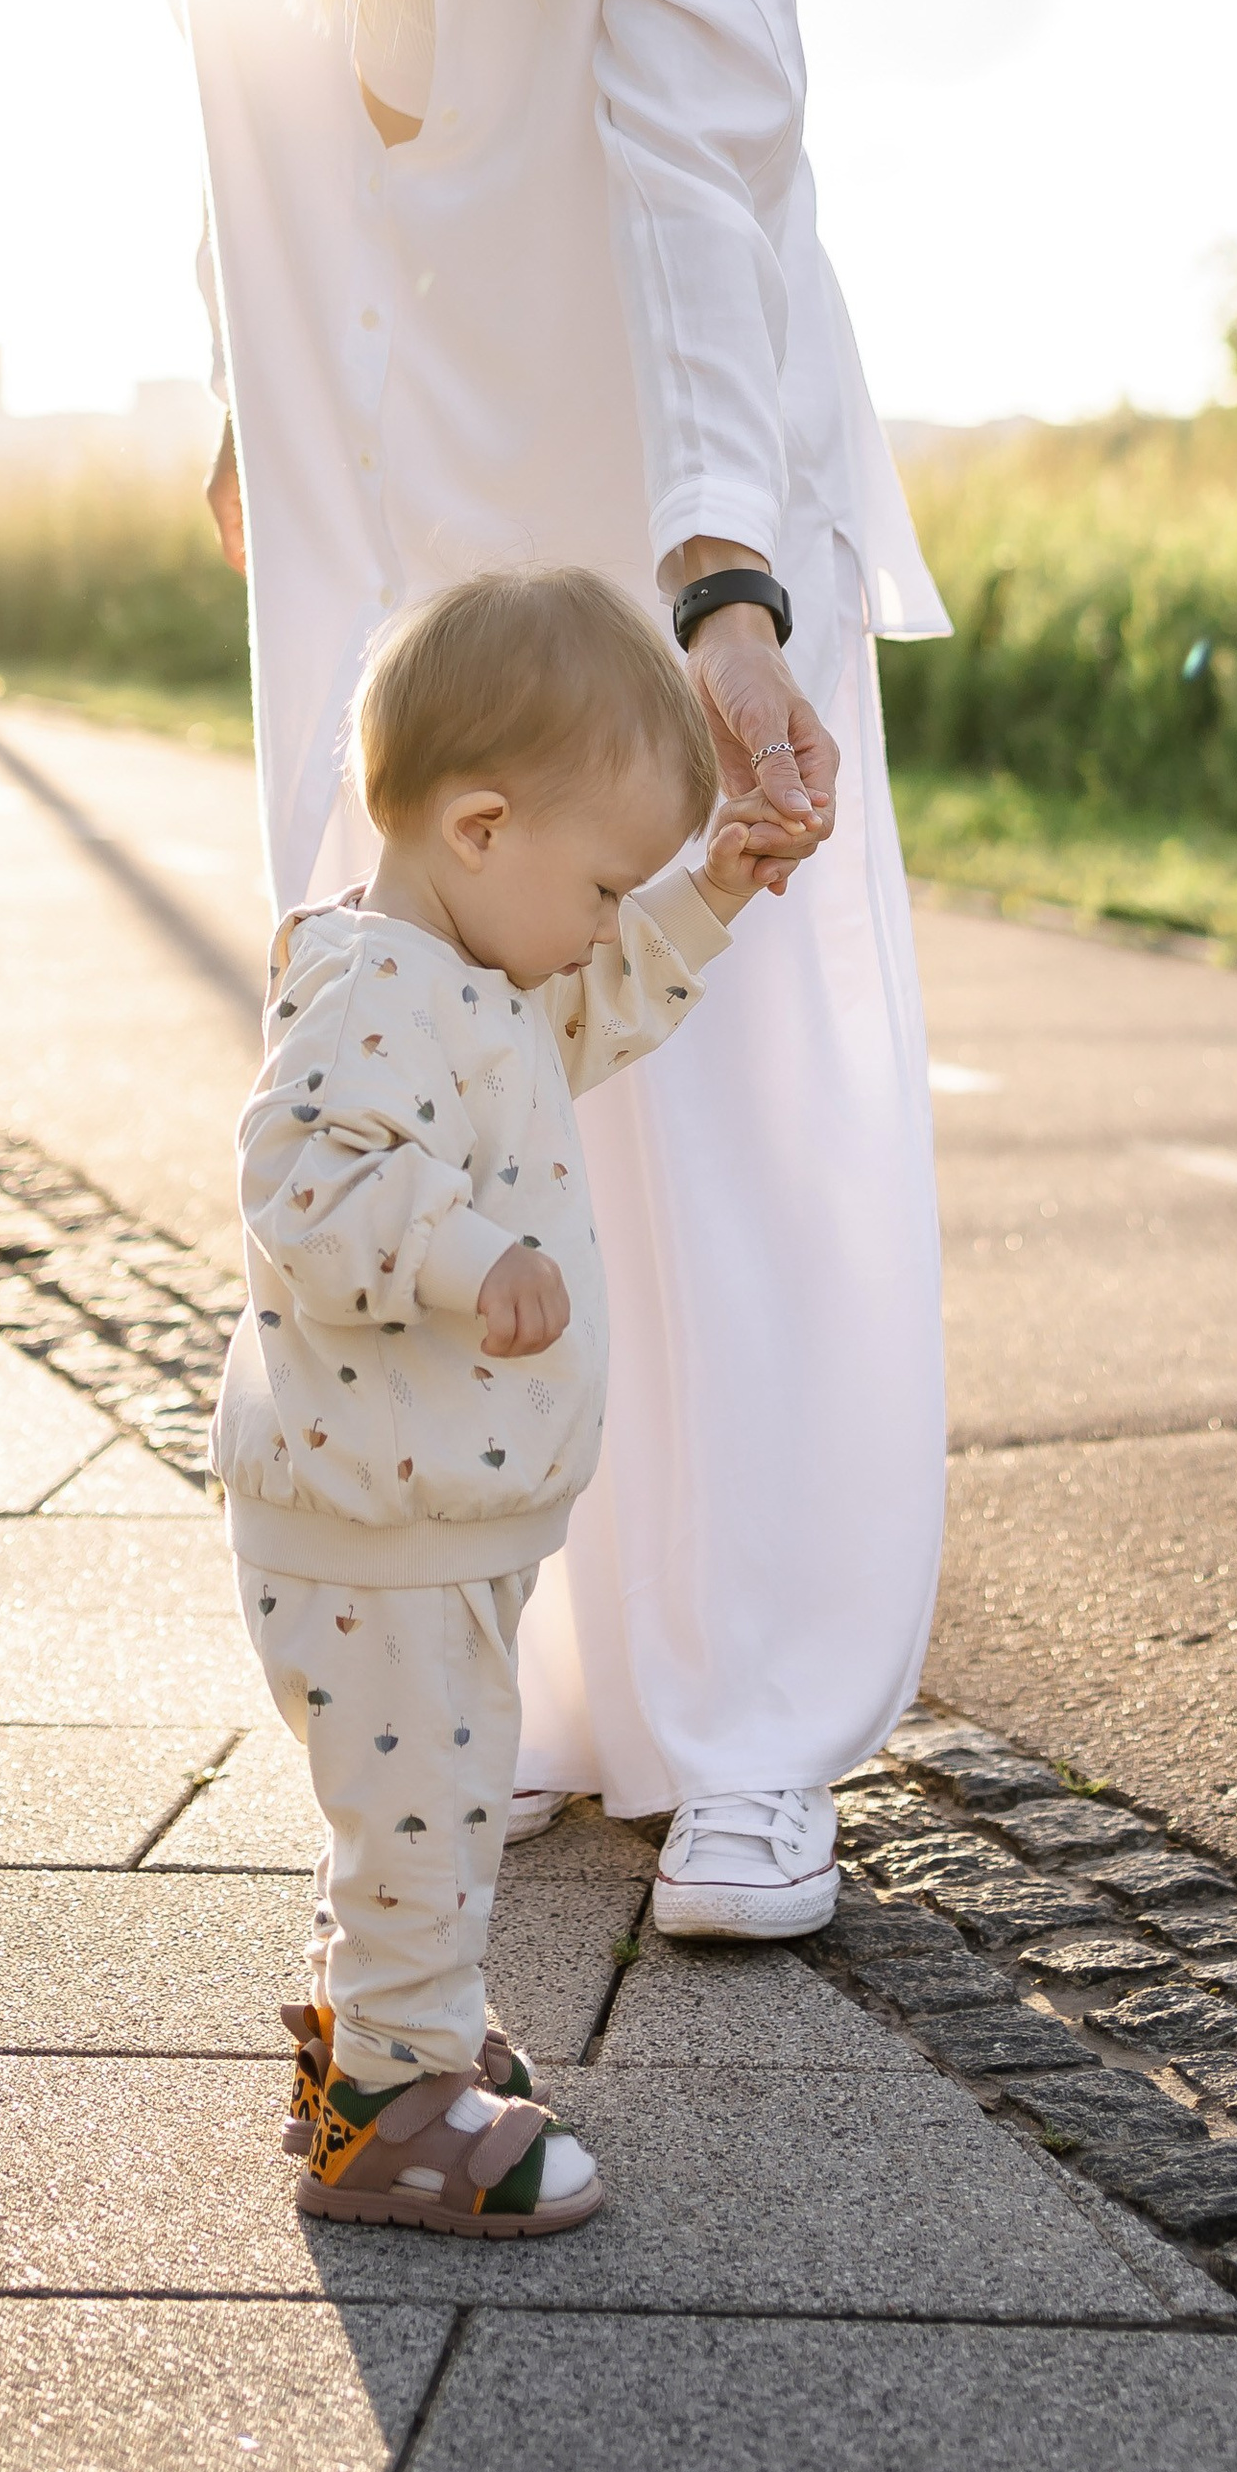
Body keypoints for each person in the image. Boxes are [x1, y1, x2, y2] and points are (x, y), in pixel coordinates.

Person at [146, 0, 950, 1938]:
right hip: (390, 502)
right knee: (418, 1085)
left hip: (653, 462)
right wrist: (248, 380)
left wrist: (720, 588)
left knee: (717, 1099)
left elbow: (703, 157)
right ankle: (515, 1676)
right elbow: (234, 56)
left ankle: (750, 1731)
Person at [226, 568, 814, 2232]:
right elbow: (301, 1182)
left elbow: (600, 1006)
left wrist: (711, 890)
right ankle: (398, 2118)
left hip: (418, 1504)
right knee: (427, 1802)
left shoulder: (469, 979)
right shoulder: (371, 989)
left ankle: (370, 2040)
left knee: (422, 1799)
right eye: (609, 882)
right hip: (369, 1520)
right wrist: (467, 1253)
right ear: (482, 828)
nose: (615, 921)